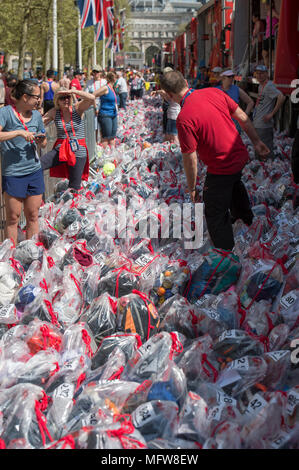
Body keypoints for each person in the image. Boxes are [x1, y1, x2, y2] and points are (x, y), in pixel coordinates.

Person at [159, 70, 270, 252]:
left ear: (170, 96)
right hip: (239, 156)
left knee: (214, 211)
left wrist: (192, 188)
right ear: (186, 81)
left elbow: (190, 159)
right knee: (233, 184)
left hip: (221, 165)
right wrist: (257, 142)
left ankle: (226, 258)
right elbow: (243, 118)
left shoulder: (184, 117)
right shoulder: (215, 92)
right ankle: (248, 222)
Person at [0, 80, 47, 244]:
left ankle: (31, 253)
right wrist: (18, 132)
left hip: (34, 170)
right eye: (36, 97)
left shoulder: (36, 115)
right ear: (25, 97)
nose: (39, 100)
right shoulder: (5, 113)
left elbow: (44, 140)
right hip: (13, 173)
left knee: (33, 215)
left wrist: (42, 141)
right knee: (13, 218)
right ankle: (11, 259)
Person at [40, 87, 95, 190]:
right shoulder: (54, 112)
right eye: (62, 98)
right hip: (61, 149)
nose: (66, 100)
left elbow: (91, 98)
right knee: (38, 165)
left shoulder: (77, 108)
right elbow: (40, 122)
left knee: (74, 186)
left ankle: (74, 204)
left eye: (68, 97)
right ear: (57, 100)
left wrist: (73, 91)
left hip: (78, 150)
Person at [253, 64, 285, 159]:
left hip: (264, 125)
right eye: (257, 73)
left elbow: (281, 97)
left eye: (262, 73)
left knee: (264, 152)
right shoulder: (261, 86)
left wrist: (271, 114)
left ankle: (266, 170)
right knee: (259, 150)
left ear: (267, 74)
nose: (259, 76)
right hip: (258, 123)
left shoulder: (268, 86)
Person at [93, 72, 118, 149]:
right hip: (105, 114)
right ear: (114, 79)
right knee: (106, 137)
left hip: (113, 114)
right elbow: (93, 95)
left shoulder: (112, 88)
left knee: (112, 137)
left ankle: (113, 154)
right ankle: (104, 156)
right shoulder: (105, 88)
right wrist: (95, 108)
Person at [85, 66, 107, 143]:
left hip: (102, 105)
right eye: (94, 72)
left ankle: (102, 142)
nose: (95, 74)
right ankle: (95, 143)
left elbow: (106, 93)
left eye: (97, 72)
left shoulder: (104, 82)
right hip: (92, 106)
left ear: (100, 73)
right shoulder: (89, 82)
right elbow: (86, 94)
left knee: (102, 125)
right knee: (94, 126)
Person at [262, 0, 280, 69]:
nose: (266, 6)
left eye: (267, 4)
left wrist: (277, 25)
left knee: (266, 53)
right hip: (268, 34)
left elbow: (281, 18)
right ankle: (268, 68)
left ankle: (268, 68)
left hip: (271, 34)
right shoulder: (269, 12)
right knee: (266, 54)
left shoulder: (272, 11)